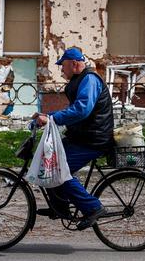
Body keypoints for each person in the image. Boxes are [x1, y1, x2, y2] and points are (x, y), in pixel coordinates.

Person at [32, 47, 115, 230]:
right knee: (48, 161)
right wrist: (46, 115)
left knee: (58, 169)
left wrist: (52, 118)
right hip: (83, 136)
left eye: (63, 66)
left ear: (74, 64)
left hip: (94, 139)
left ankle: (93, 207)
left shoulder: (90, 80)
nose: (62, 70)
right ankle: (60, 207)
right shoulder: (81, 80)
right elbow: (73, 110)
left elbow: (82, 110)